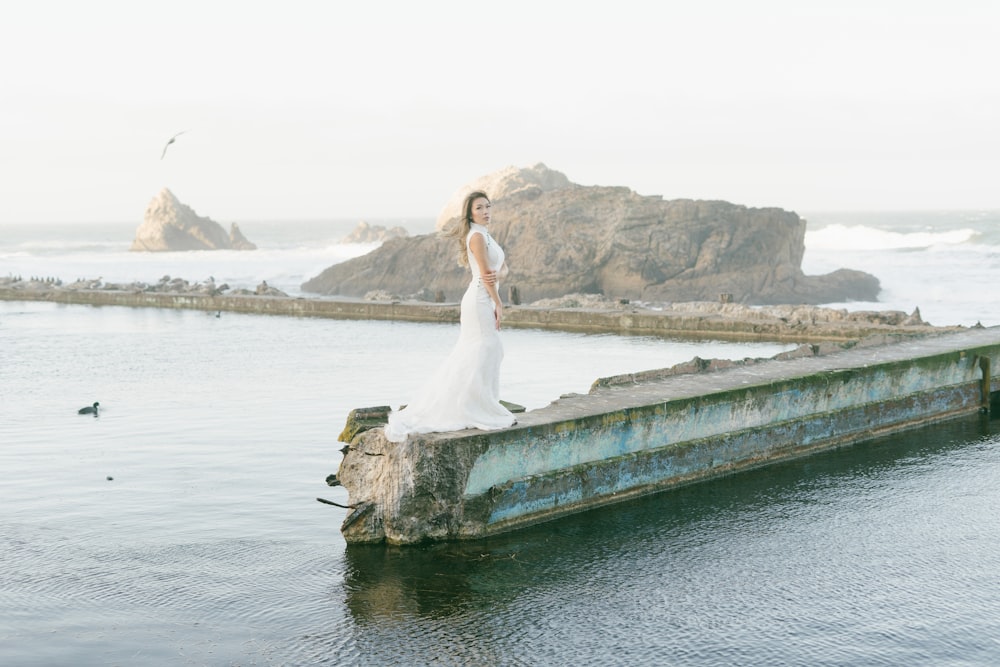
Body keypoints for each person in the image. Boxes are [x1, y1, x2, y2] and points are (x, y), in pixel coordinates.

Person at [384, 190, 517, 442]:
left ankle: (480, 403)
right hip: (479, 300)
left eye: (488, 206)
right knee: (484, 348)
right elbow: (487, 276)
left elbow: (501, 270)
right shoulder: (476, 236)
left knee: (487, 349)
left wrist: (499, 277)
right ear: (469, 213)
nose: (485, 211)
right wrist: (498, 303)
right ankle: (471, 406)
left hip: (483, 296)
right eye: (479, 208)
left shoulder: (486, 234)